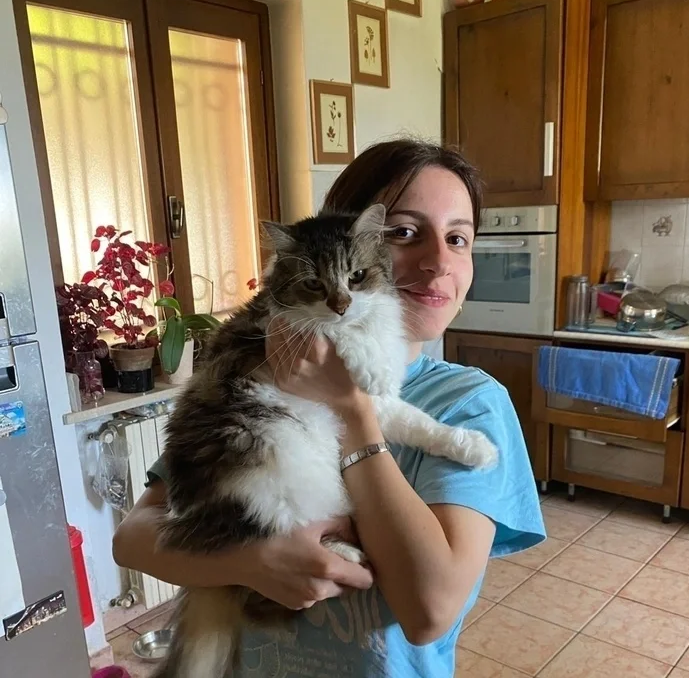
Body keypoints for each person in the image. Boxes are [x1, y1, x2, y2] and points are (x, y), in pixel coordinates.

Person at [112, 138, 546, 677]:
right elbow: (132, 538)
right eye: (403, 232)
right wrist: (249, 561)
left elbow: (429, 613)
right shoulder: (264, 359)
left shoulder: (471, 405)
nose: (438, 261)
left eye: (458, 238)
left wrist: (351, 408)